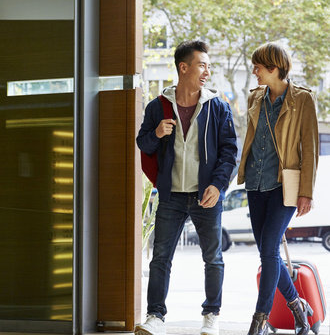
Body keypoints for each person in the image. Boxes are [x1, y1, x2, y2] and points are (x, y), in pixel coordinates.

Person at [135, 40, 238, 335]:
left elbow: (230, 151)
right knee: (160, 258)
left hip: (207, 196)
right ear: (184, 67)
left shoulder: (217, 107)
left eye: (208, 65)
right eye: (202, 64)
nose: (207, 71)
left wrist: (218, 186)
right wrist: (156, 132)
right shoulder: (158, 106)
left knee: (213, 258)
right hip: (171, 197)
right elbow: (143, 144)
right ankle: (155, 317)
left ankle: (211, 316)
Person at [237, 42, 319, 335]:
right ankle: (299, 308)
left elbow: (309, 149)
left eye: (258, 66)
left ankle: (259, 320)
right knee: (267, 252)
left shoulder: (303, 100)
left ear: (274, 68)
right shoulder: (254, 98)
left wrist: (306, 191)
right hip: (256, 184)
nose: (254, 71)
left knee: (269, 249)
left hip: (284, 186)